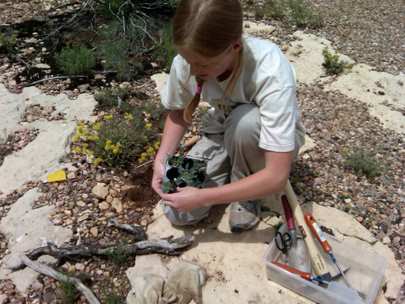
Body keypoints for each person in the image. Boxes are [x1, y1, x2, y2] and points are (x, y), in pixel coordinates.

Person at [151, 0, 305, 233]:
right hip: (220, 130)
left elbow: (276, 175)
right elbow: (178, 113)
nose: (192, 70)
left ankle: (245, 187)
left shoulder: (270, 68)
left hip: (257, 137)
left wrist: (203, 196)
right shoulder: (188, 61)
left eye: (202, 65)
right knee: (178, 210)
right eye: (188, 61)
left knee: (245, 123)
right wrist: (162, 159)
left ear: (234, 46)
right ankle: (234, 174)